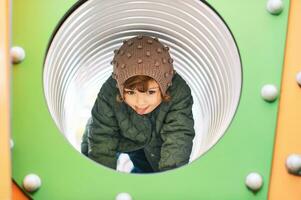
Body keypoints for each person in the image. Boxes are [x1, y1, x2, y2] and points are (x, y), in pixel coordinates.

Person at [81, 35, 195, 173]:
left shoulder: (178, 93)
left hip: (153, 143)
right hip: (115, 134)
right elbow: (101, 136)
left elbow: (178, 137)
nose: (140, 102)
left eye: (150, 92)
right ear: (120, 87)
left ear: (164, 86)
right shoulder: (110, 92)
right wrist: (103, 180)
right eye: (130, 92)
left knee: (146, 172)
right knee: (94, 159)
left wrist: (168, 180)